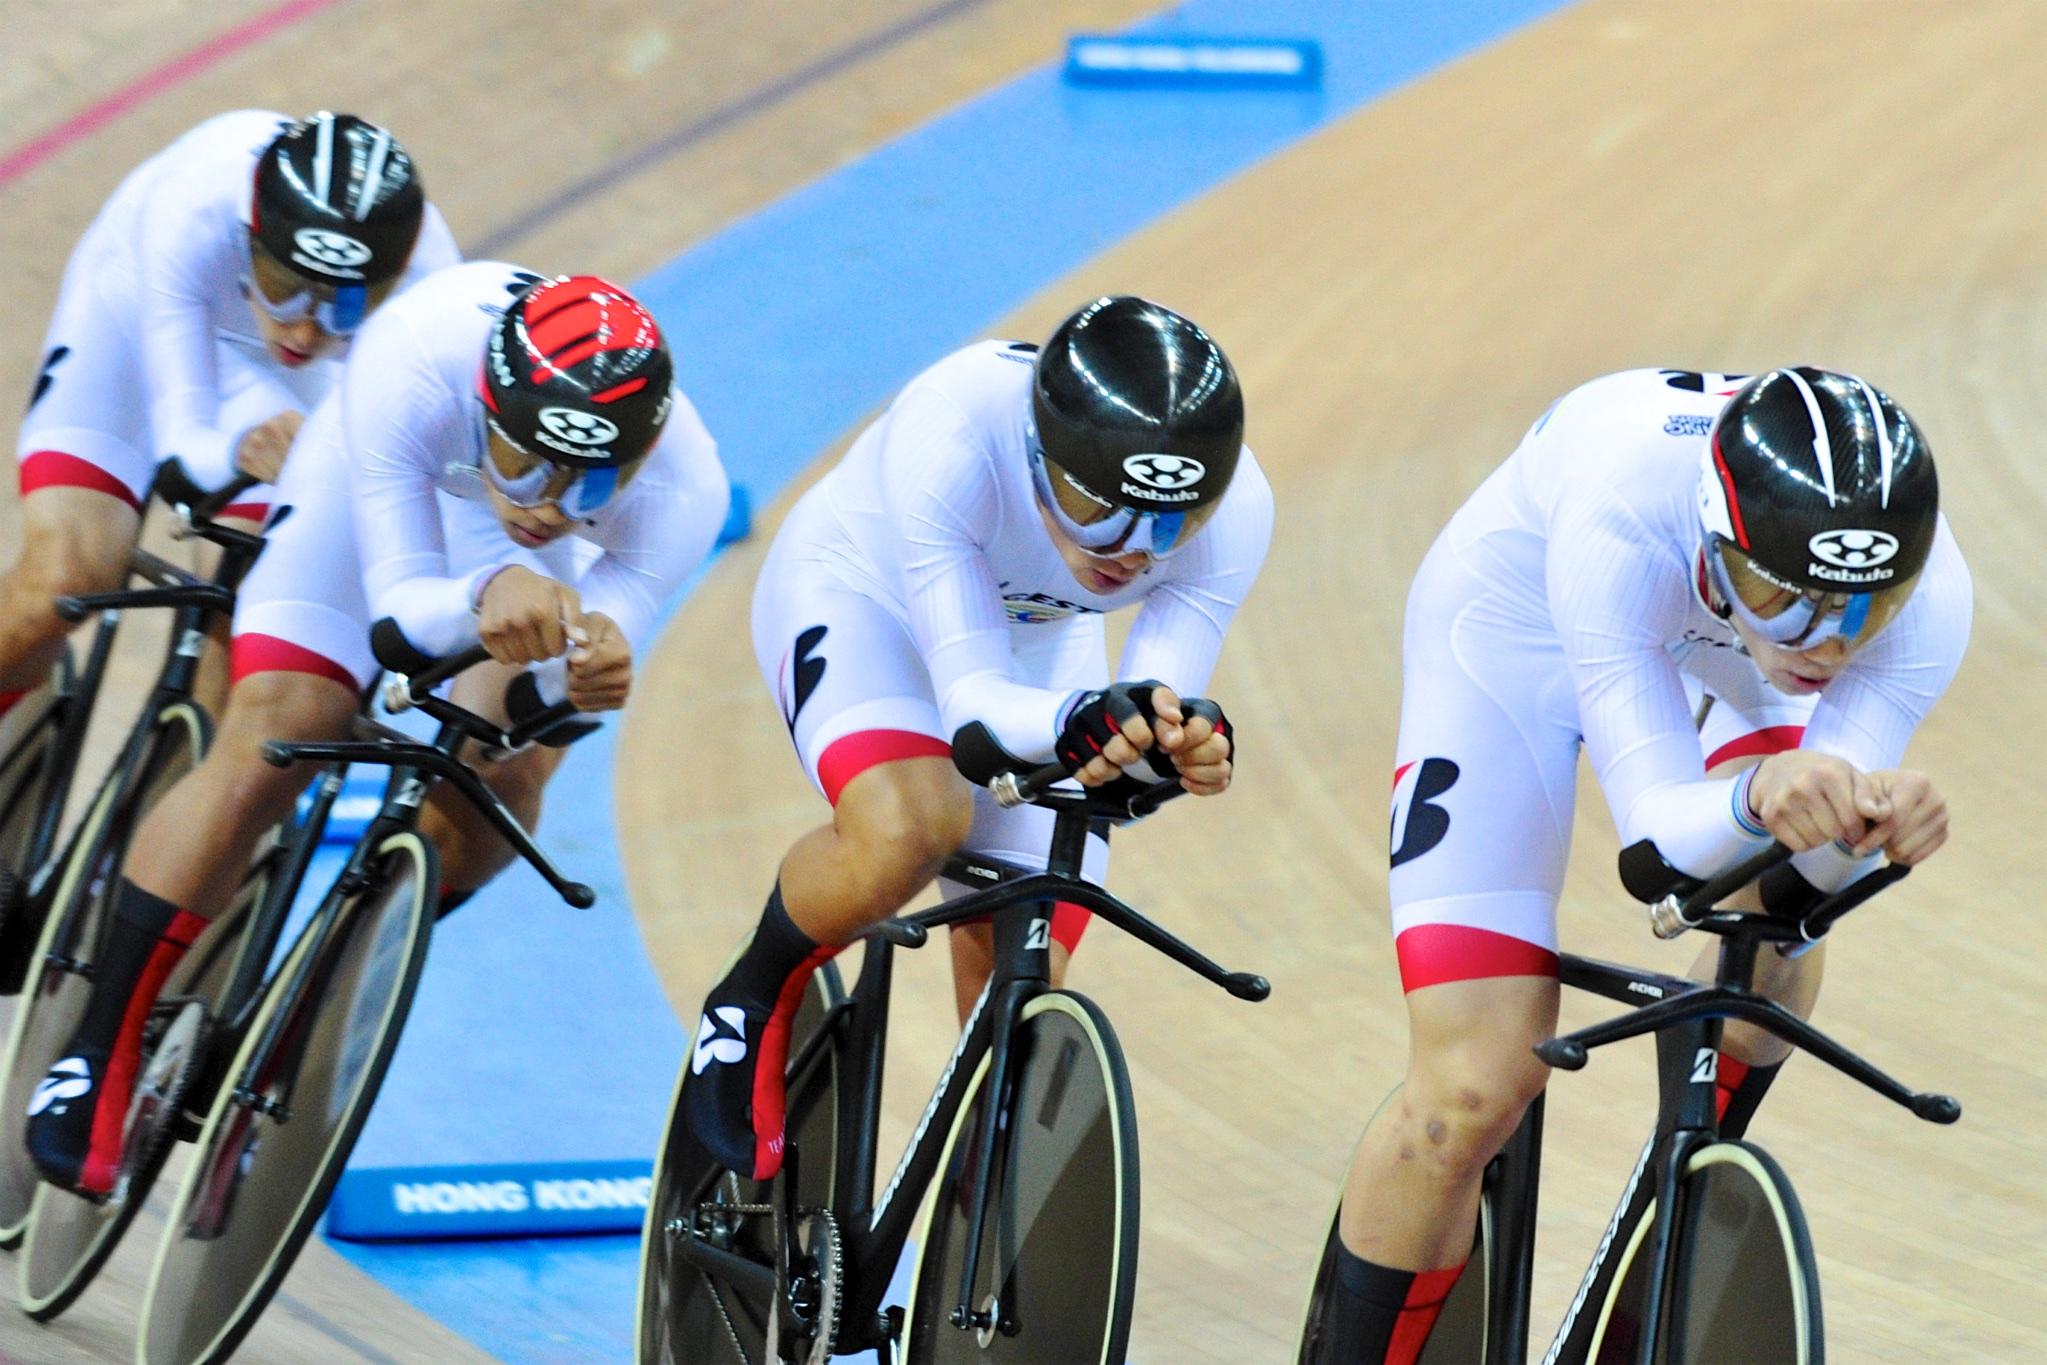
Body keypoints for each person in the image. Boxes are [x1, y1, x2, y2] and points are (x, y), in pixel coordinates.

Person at [1307, 366, 1970, 1361]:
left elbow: (1791, 892)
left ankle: (1667, 1222)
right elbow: (1657, 852)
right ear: (1713, 535)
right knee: (1471, 1086)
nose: (1826, 647)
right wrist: (1759, 797)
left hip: (1724, 666)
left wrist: (1868, 827)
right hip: (1514, 630)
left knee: (1775, 936)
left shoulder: (1924, 597)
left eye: (1860, 611)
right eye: (1781, 598)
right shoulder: (1618, 499)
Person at [24, 265, 730, 1197]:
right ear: (490, 407)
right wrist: (487, 591)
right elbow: (397, 622)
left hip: (528, 577)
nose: (548, 502)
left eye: (589, 478)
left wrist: (582, 677)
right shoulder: (418, 356)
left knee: (508, 785)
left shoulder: (689, 486)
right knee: (278, 733)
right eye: (526, 461)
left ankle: (338, 981)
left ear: (637, 459)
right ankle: (95, 1047)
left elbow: (546, 695)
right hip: (368, 507)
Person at [682, 295, 1274, 1182]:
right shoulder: (955, 430)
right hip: (868, 601)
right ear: (1040, 457)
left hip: (1036, 650)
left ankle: (967, 1224)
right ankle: (750, 996)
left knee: (1028, 944)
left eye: (1169, 526)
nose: (1131, 551)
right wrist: (1088, 720)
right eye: (1094, 505)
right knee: (913, 824)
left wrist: (1176, 741)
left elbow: (1147, 705)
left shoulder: (1233, 511)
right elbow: (973, 717)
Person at [1, 109, 457, 746]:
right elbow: (187, 449)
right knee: (66, 579)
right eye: (286, 286)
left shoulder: (429, 294)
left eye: (344, 304)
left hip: (290, 389)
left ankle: (141, 834)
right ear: (251, 236)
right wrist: (239, 453)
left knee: (245, 663)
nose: (304, 328)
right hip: (148, 319)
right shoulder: (193, 208)